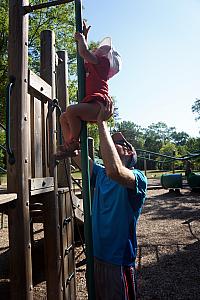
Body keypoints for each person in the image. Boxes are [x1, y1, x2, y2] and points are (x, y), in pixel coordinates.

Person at [74, 101, 147, 300]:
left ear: (130, 153)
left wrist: (101, 123)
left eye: (120, 143)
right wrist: (71, 139)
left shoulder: (137, 177)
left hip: (118, 261)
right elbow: (78, 157)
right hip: (96, 256)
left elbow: (116, 171)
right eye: (112, 141)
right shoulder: (101, 174)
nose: (115, 143)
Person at [58, 22, 121, 155]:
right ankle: (69, 143)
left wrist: (80, 39)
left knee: (70, 110)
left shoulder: (102, 63)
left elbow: (84, 52)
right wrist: (85, 38)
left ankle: (74, 142)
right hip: (91, 104)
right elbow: (84, 55)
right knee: (64, 117)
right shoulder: (95, 64)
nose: (98, 49)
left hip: (98, 105)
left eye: (102, 49)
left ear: (107, 58)